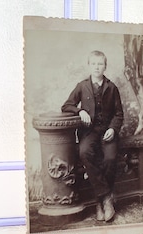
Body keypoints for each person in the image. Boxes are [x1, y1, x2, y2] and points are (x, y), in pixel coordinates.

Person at [61, 50, 124, 222]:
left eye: (100, 64)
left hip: (107, 132)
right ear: (89, 66)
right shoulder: (82, 86)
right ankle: (105, 197)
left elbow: (119, 114)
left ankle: (100, 201)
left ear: (105, 66)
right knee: (84, 152)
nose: (97, 67)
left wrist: (113, 129)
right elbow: (66, 105)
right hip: (89, 132)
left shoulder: (112, 88)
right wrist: (80, 110)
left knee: (110, 158)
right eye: (94, 64)